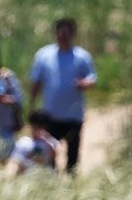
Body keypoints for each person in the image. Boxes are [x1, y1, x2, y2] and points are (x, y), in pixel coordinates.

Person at [28, 18, 97, 174]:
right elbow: (36, 83)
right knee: (48, 153)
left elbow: (92, 78)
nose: (62, 36)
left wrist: (85, 83)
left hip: (74, 116)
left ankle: (71, 187)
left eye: (66, 33)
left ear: (72, 34)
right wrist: (31, 106)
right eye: (59, 32)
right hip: (51, 115)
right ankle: (51, 183)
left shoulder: (82, 56)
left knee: (72, 156)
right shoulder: (44, 55)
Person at [7, 111, 61, 176]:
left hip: (46, 176)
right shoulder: (23, 142)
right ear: (31, 126)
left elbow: (59, 157)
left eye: (43, 126)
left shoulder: (52, 142)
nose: (39, 129)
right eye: (36, 126)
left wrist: (48, 140)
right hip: (27, 177)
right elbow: (15, 162)